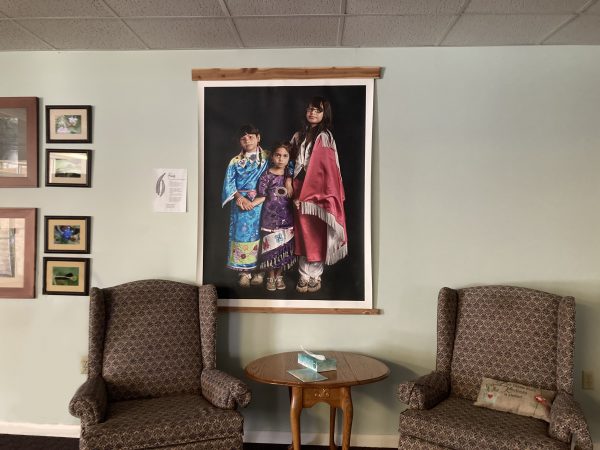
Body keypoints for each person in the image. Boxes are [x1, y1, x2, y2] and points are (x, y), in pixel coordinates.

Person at [289, 97, 348, 293]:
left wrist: (308, 194)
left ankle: (315, 274)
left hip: (317, 193)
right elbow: (289, 161)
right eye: (309, 109)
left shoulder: (325, 137)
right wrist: (289, 181)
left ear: (324, 114)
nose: (312, 113)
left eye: (317, 110)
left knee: (316, 233)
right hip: (298, 188)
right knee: (301, 232)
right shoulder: (298, 136)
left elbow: (325, 171)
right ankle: (303, 274)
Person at [221, 124, 269, 287]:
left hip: (264, 203)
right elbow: (229, 183)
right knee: (242, 235)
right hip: (241, 205)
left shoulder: (269, 157)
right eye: (243, 138)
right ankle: (244, 272)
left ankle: (261, 271)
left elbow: (277, 178)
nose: (247, 140)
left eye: (251, 136)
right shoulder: (235, 161)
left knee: (263, 235)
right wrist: (240, 198)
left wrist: (256, 200)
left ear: (258, 138)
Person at [255, 143, 297, 291]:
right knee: (271, 249)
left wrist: (289, 180)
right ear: (272, 156)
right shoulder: (266, 175)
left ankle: (279, 276)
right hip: (270, 219)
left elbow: (291, 171)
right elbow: (262, 194)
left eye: (285, 156)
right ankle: (270, 276)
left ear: (289, 158)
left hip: (286, 219)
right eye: (278, 155)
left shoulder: (289, 174)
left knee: (284, 249)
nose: (281, 159)